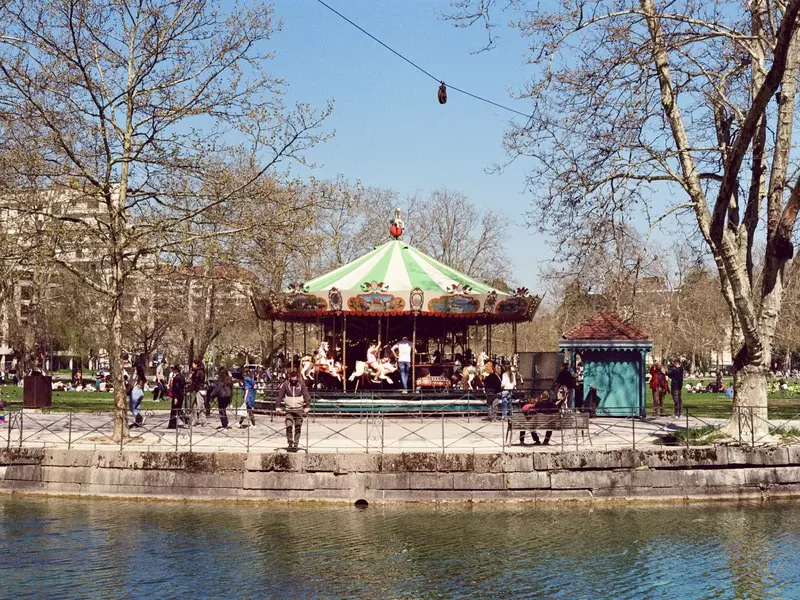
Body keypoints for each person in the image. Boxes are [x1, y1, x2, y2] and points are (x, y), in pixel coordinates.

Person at [276, 370, 311, 452]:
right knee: (288, 425)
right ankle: (290, 443)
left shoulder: (301, 384)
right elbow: (280, 395)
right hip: (289, 409)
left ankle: (296, 444)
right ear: (290, 378)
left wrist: (307, 406)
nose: (294, 381)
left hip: (299, 409)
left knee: (298, 426)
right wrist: (277, 406)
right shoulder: (286, 384)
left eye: (295, 380)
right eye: (292, 380)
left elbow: (306, 395)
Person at [167, 365, 186, 429]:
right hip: (181, 395)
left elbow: (176, 388)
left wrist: (175, 397)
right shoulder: (182, 376)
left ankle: (173, 424)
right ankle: (185, 420)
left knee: (174, 410)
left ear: (175, 370)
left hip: (177, 395)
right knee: (179, 409)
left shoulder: (176, 378)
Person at [189, 360, 208, 426]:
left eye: (193, 364)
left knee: (200, 407)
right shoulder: (202, 371)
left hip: (200, 390)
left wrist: (190, 390)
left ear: (196, 364)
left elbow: (196, 382)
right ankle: (195, 420)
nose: (192, 365)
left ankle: (203, 421)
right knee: (194, 406)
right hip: (201, 389)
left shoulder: (198, 372)